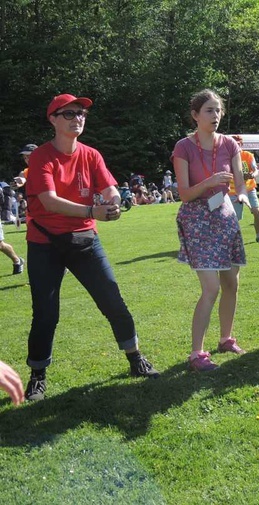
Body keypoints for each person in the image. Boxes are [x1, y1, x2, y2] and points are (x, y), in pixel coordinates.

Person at [23, 93, 159, 401]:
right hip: (45, 242)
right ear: (53, 119)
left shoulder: (91, 154)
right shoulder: (41, 157)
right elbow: (48, 201)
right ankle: (38, 376)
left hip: (84, 239)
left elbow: (108, 186)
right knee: (45, 313)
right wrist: (91, 211)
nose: (77, 118)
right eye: (68, 113)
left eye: (81, 113)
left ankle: (135, 357)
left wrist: (113, 201)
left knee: (112, 300)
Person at [172, 89, 250, 371]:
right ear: (195, 115)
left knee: (232, 283)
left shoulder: (230, 144)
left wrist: (240, 195)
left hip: (225, 216)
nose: (215, 116)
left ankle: (226, 339)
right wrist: (209, 182)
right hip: (197, 219)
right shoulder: (184, 147)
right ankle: (197, 354)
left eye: (218, 110)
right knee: (211, 288)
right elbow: (184, 194)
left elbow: (239, 183)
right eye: (209, 111)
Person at [230, 135, 259, 243]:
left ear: (241, 144)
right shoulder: (226, 156)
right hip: (233, 190)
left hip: (249, 188)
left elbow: (255, 170)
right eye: (233, 144)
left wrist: (252, 175)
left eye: (238, 143)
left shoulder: (248, 155)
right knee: (235, 217)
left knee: (256, 211)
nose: (236, 145)